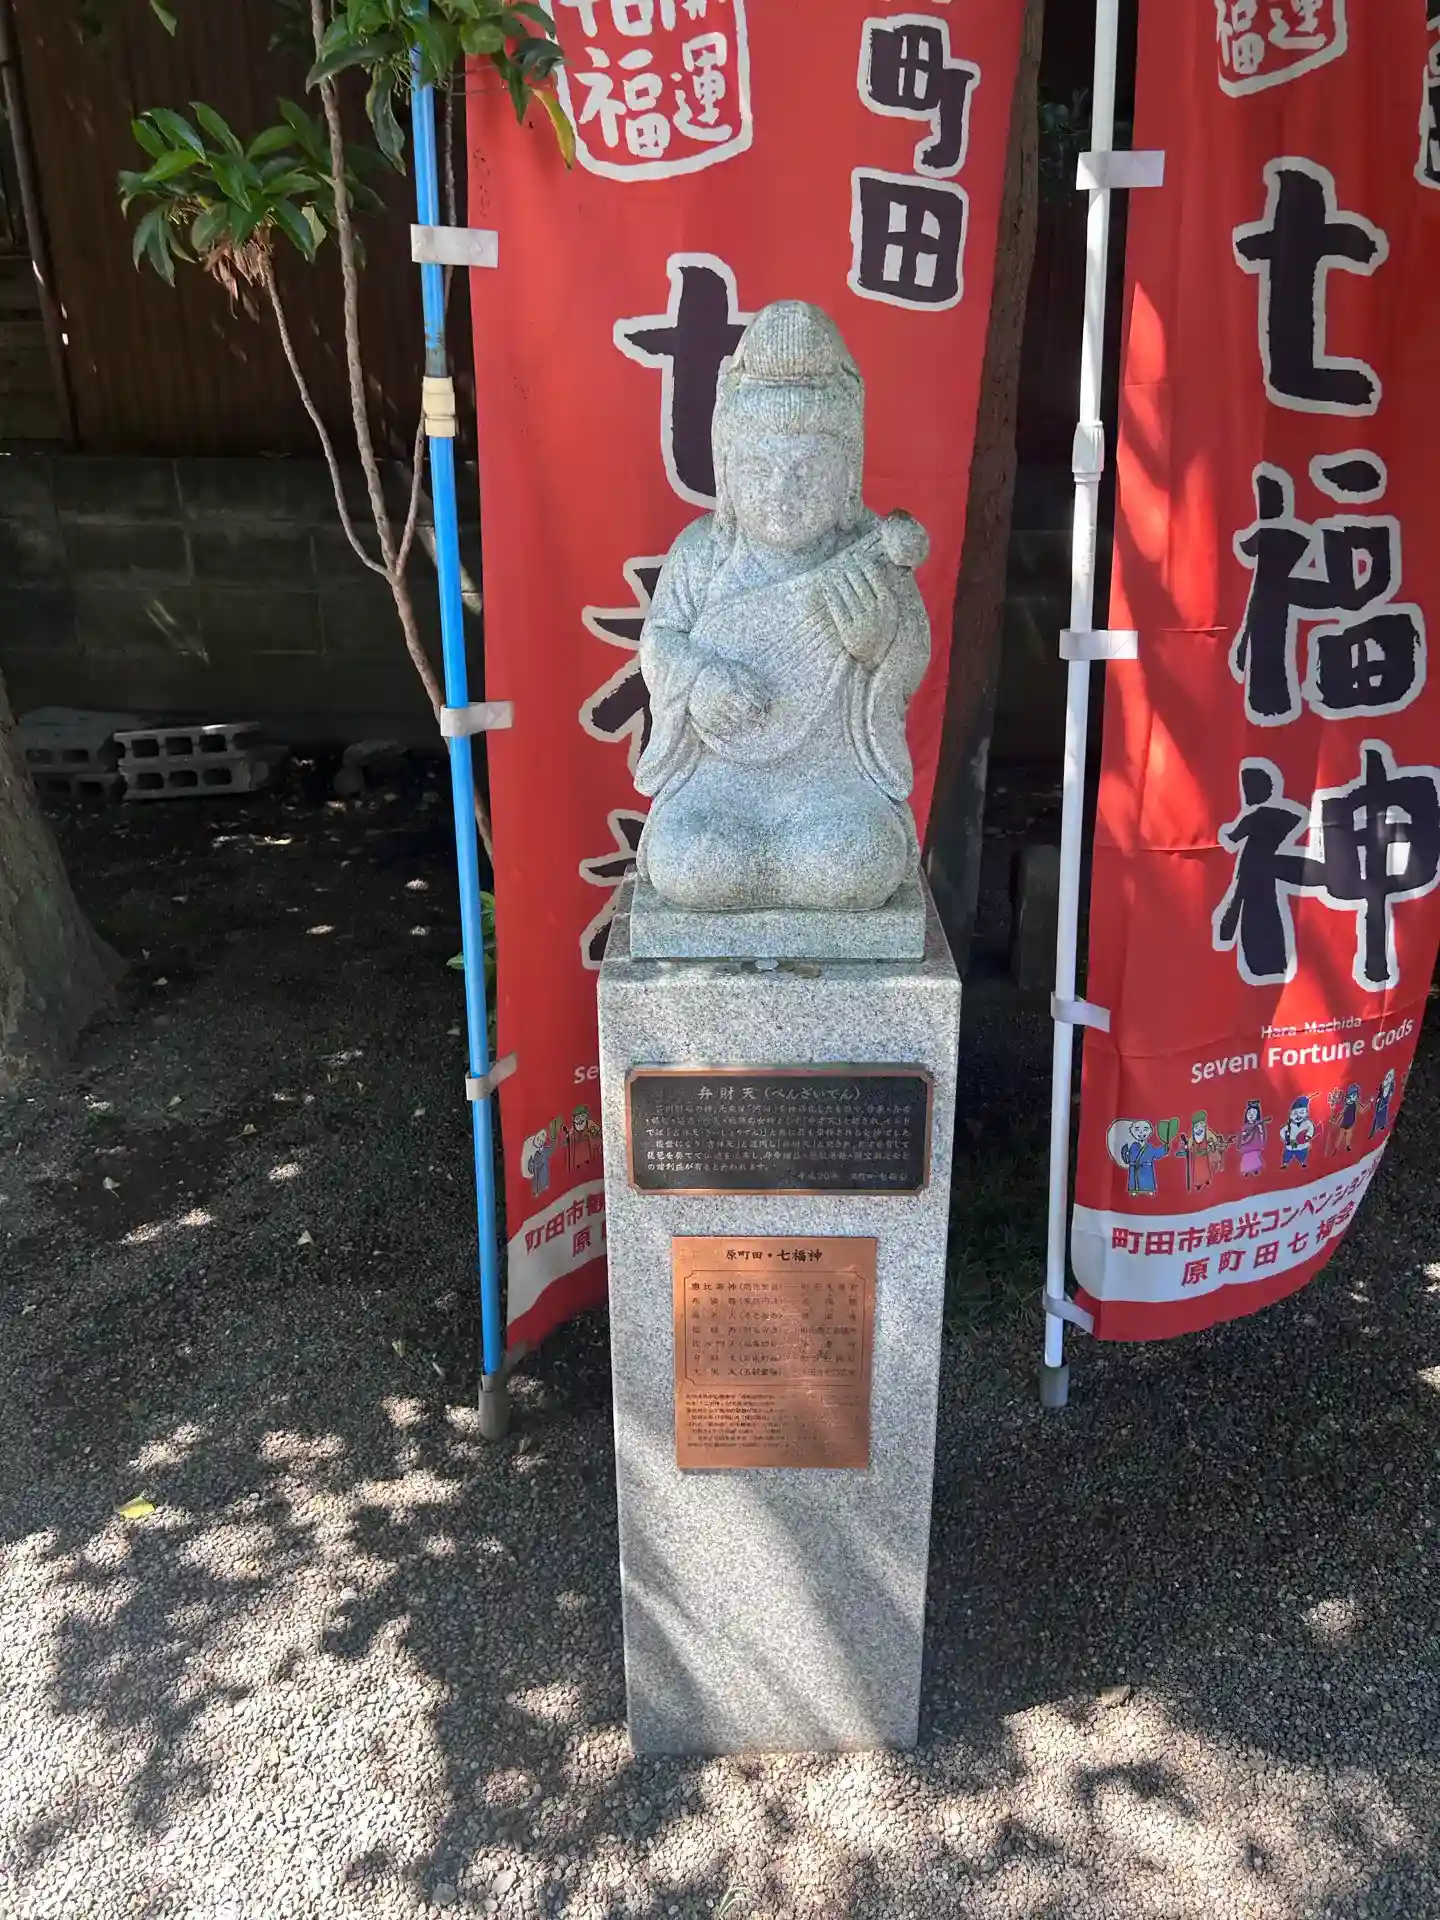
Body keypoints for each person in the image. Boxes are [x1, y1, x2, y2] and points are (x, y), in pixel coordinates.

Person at [635, 301, 931, 913]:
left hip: (832, 786)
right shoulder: (702, 555)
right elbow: (659, 643)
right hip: (721, 782)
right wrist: (697, 680)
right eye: (758, 468)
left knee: (851, 863)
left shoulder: (871, 557)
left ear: (849, 474)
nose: (781, 492)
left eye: (808, 470)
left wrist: (879, 647)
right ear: (726, 471)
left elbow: (910, 657)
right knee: (694, 863)